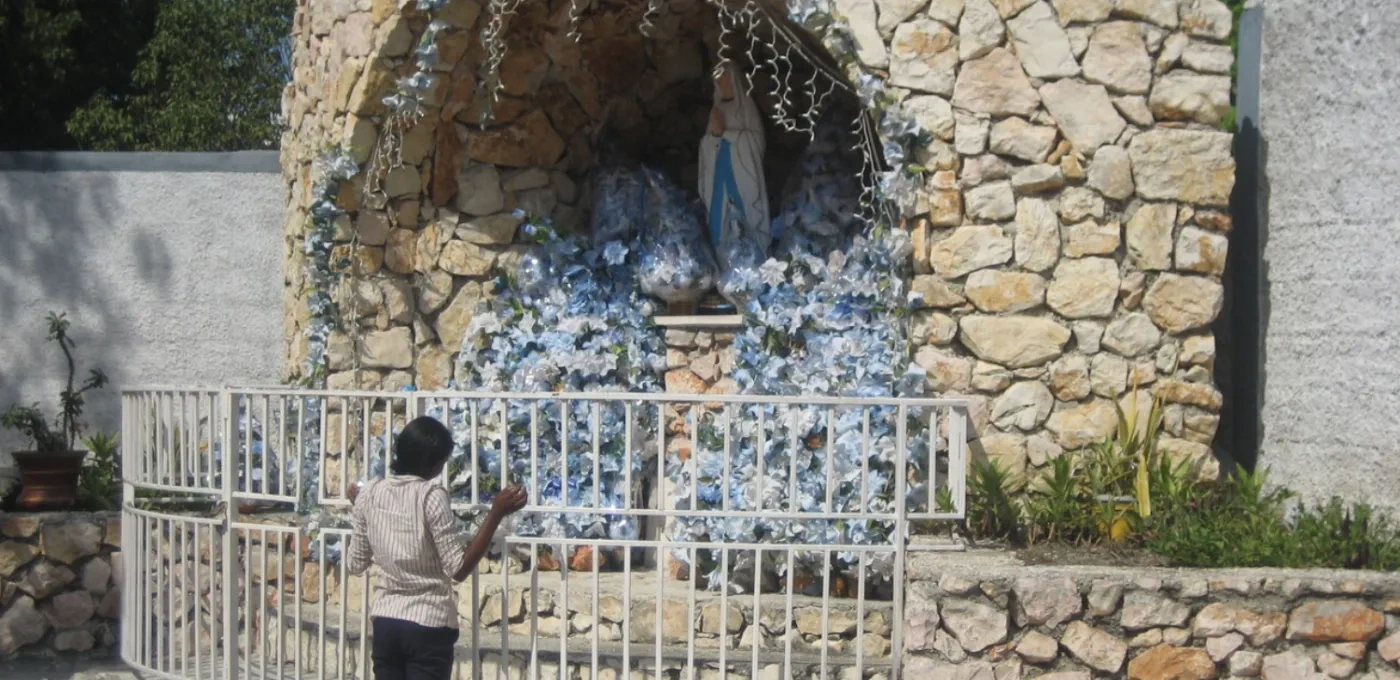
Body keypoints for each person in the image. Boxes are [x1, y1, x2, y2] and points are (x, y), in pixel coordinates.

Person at [346, 416, 528, 680]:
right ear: (432, 463)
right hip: (428, 624)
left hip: (386, 623)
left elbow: (355, 563)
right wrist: (496, 512)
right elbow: (458, 568)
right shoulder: (430, 496)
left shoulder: (370, 493)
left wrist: (362, 511)